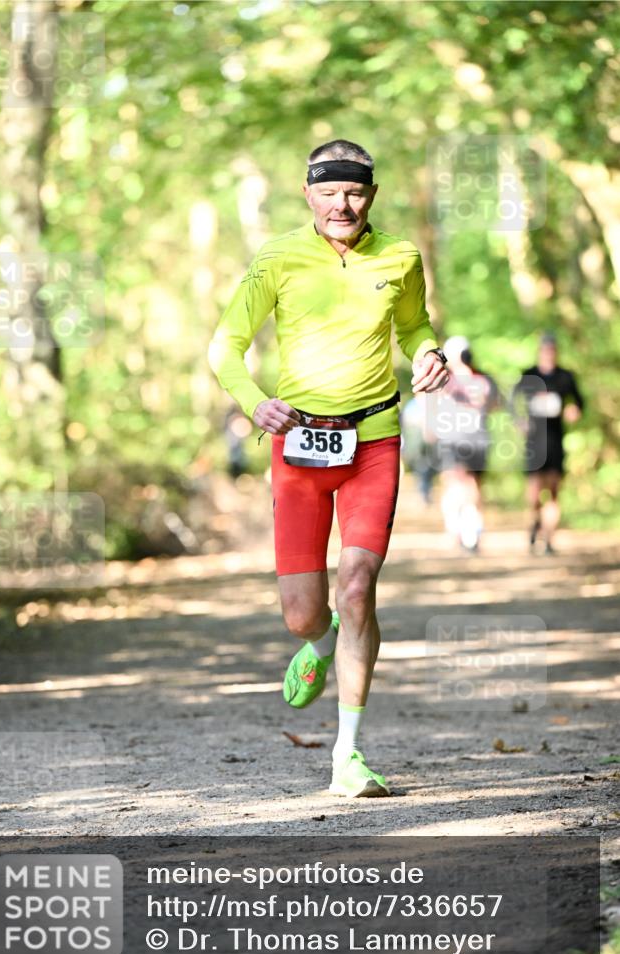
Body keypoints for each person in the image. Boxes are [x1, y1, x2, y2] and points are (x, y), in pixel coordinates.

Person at [208, 139, 448, 798]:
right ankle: (318, 644)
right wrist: (255, 404)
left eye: (354, 192)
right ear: (308, 192)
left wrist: (429, 355)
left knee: (356, 586)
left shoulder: (399, 256)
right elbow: (224, 345)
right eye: (328, 191)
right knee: (301, 614)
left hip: (374, 439)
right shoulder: (277, 258)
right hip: (299, 446)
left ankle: (347, 753)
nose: (341, 204)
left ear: (370, 193)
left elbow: (415, 325)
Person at [512, 333, 584, 554]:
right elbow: (513, 402)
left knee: (553, 490)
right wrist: (519, 421)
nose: (549, 353)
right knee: (534, 493)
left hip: (555, 440)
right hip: (534, 441)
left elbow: (579, 402)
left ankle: (549, 539)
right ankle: (535, 523)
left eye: (552, 350)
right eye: (545, 349)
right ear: (540, 351)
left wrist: (574, 411)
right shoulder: (529, 375)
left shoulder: (565, 377)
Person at [434, 336, 499, 553]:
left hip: (474, 440)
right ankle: (460, 529)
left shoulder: (480, 379)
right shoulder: (446, 379)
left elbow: (492, 404)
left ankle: (470, 531)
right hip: (453, 440)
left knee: (470, 487)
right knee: (457, 485)